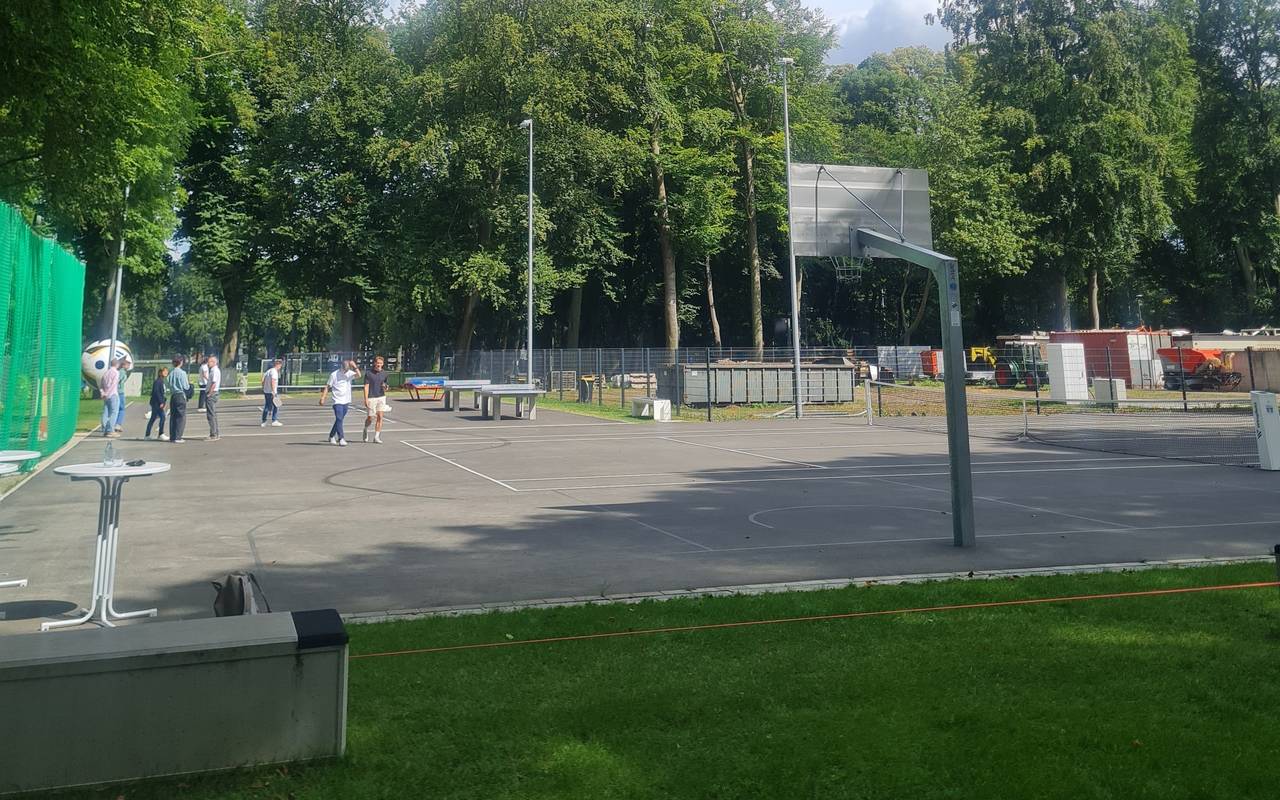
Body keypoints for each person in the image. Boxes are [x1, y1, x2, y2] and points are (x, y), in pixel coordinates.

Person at [319, 359, 361, 446]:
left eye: (347, 370)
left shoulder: (349, 373)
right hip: (337, 400)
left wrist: (355, 366)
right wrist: (323, 398)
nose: (345, 372)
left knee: (340, 419)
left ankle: (331, 436)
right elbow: (327, 387)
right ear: (341, 367)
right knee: (339, 418)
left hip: (346, 400)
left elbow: (359, 375)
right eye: (344, 370)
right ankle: (341, 438)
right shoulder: (334, 375)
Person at [362, 355, 389, 444]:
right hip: (371, 397)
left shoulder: (385, 373)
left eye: (381, 363)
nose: (379, 365)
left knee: (380, 416)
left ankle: (376, 437)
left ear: (383, 364)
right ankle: (365, 429)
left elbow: (386, 386)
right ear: (374, 363)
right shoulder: (369, 373)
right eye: (377, 363)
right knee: (371, 417)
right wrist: (366, 399)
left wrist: (385, 387)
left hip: (381, 397)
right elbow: (366, 387)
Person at [166, 355, 190, 443]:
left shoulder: (171, 372)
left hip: (173, 395)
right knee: (181, 417)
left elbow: (167, 384)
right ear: (181, 362)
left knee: (173, 416)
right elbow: (186, 386)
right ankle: (178, 437)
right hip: (180, 395)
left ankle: (172, 436)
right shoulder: (182, 373)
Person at [99, 357, 121, 437]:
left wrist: (103, 393)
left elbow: (101, 385)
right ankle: (110, 430)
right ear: (117, 364)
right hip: (113, 394)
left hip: (105, 396)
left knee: (106, 411)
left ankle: (104, 428)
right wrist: (108, 393)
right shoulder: (116, 372)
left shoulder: (106, 373)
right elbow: (113, 384)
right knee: (114, 412)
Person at [145, 366, 169, 441]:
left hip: (159, 402)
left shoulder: (162, 381)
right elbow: (156, 392)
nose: (166, 373)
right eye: (164, 371)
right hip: (156, 403)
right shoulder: (158, 381)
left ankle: (147, 435)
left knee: (153, 418)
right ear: (160, 372)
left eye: (167, 371)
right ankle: (161, 434)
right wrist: (161, 402)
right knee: (162, 417)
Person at [114, 352, 133, 433]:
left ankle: (115, 423)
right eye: (128, 364)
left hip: (118, 391)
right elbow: (117, 381)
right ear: (124, 365)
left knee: (117, 408)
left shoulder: (121, 371)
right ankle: (118, 424)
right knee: (121, 409)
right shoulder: (121, 372)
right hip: (120, 392)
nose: (129, 366)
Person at [261, 358, 283, 427]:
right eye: (280, 365)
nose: (280, 367)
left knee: (267, 406)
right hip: (271, 392)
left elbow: (262, 380)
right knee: (276, 406)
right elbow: (273, 381)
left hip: (266, 391)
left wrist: (264, 388)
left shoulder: (268, 371)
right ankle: (274, 420)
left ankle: (264, 421)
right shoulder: (274, 372)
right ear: (277, 364)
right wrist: (273, 391)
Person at [205, 355, 221, 441]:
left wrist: (209, 394)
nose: (208, 363)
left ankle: (213, 434)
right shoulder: (213, 370)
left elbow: (214, 383)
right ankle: (216, 433)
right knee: (213, 414)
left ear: (214, 362)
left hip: (212, 394)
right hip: (213, 393)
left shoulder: (214, 371)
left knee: (211, 415)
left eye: (209, 362)